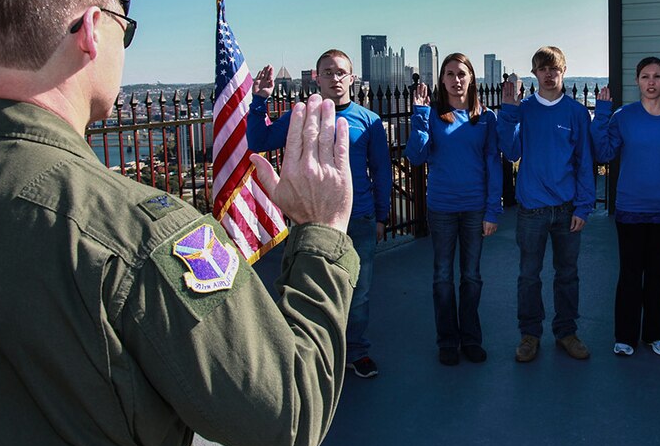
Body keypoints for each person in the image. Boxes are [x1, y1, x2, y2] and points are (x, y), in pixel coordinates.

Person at [0, 0, 359, 446]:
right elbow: (290, 415)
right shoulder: (139, 236)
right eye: (127, 28)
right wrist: (321, 233)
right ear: (92, 29)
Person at [248, 51, 392, 378]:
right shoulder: (303, 116)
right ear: (317, 78)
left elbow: (381, 171)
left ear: (352, 78)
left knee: (359, 291)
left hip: (359, 218)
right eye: (328, 72)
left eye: (341, 72)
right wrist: (260, 100)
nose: (335, 78)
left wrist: (381, 217)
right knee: (311, 288)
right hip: (311, 219)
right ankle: (319, 354)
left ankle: (354, 351)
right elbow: (259, 140)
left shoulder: (368, 121)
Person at [591, 57, 660, 357]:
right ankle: (625, 336)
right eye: (645, 76)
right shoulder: (623, 117)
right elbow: (603, 152)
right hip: (631, 210)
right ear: (637, 81)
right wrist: (601, 114)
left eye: (657, 76)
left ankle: (657, 334)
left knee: (657, 277)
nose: (651, 82)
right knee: (629, 275)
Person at [498, 46, 596, 362]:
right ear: (535, 74)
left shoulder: (577, 113)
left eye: (554, 69)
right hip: (532, 210)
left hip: (567, 209)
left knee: (567, 275)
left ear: (563, 71)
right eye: (542, 69)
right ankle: (530, 335)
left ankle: (567, 332)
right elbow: (511, 152)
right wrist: (508, 113)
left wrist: (583, 206)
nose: (549, 74)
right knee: (529, 276)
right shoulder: (523, 109)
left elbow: (584, 162)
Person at [405, 53, 503, 366]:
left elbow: (493, 163)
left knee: (471, 277)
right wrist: (420, 116)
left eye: (461, 73)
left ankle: (471, 339)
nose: (456, 79)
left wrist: (492, 210)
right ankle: (447, 341)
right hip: (442, 208)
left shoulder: (485, 117)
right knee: (443, 277)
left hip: (475, 208)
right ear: (442, 80)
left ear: (471, 78)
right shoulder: (432, 114)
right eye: (449, 74)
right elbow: (416, 156)